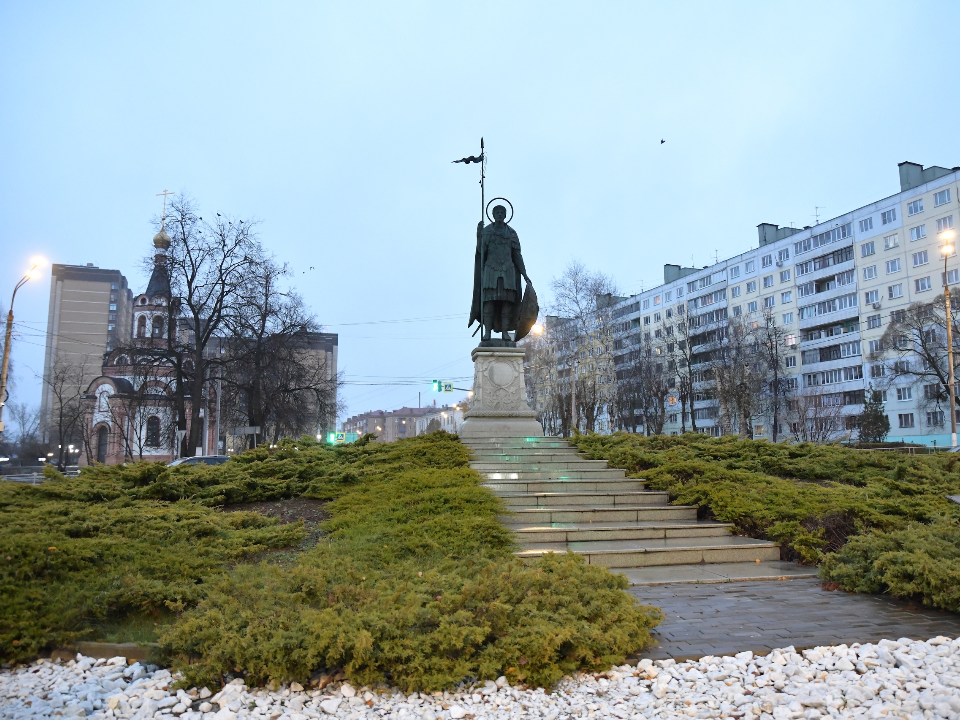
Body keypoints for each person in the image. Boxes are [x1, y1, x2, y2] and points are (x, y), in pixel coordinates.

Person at [469, 205, 532, 342]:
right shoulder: (487, 232)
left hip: (508, 271)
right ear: (493, 214)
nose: (499, 214)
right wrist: (479, 236)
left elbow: (517, 255)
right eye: (496, 212)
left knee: (507, 303)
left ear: (505, 215)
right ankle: (487, 332)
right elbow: (481, 252)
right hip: (490, 270)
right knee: (489, 302)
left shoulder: (511, 233)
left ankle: (504, 332)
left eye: (502, 212)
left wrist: (524, 274)